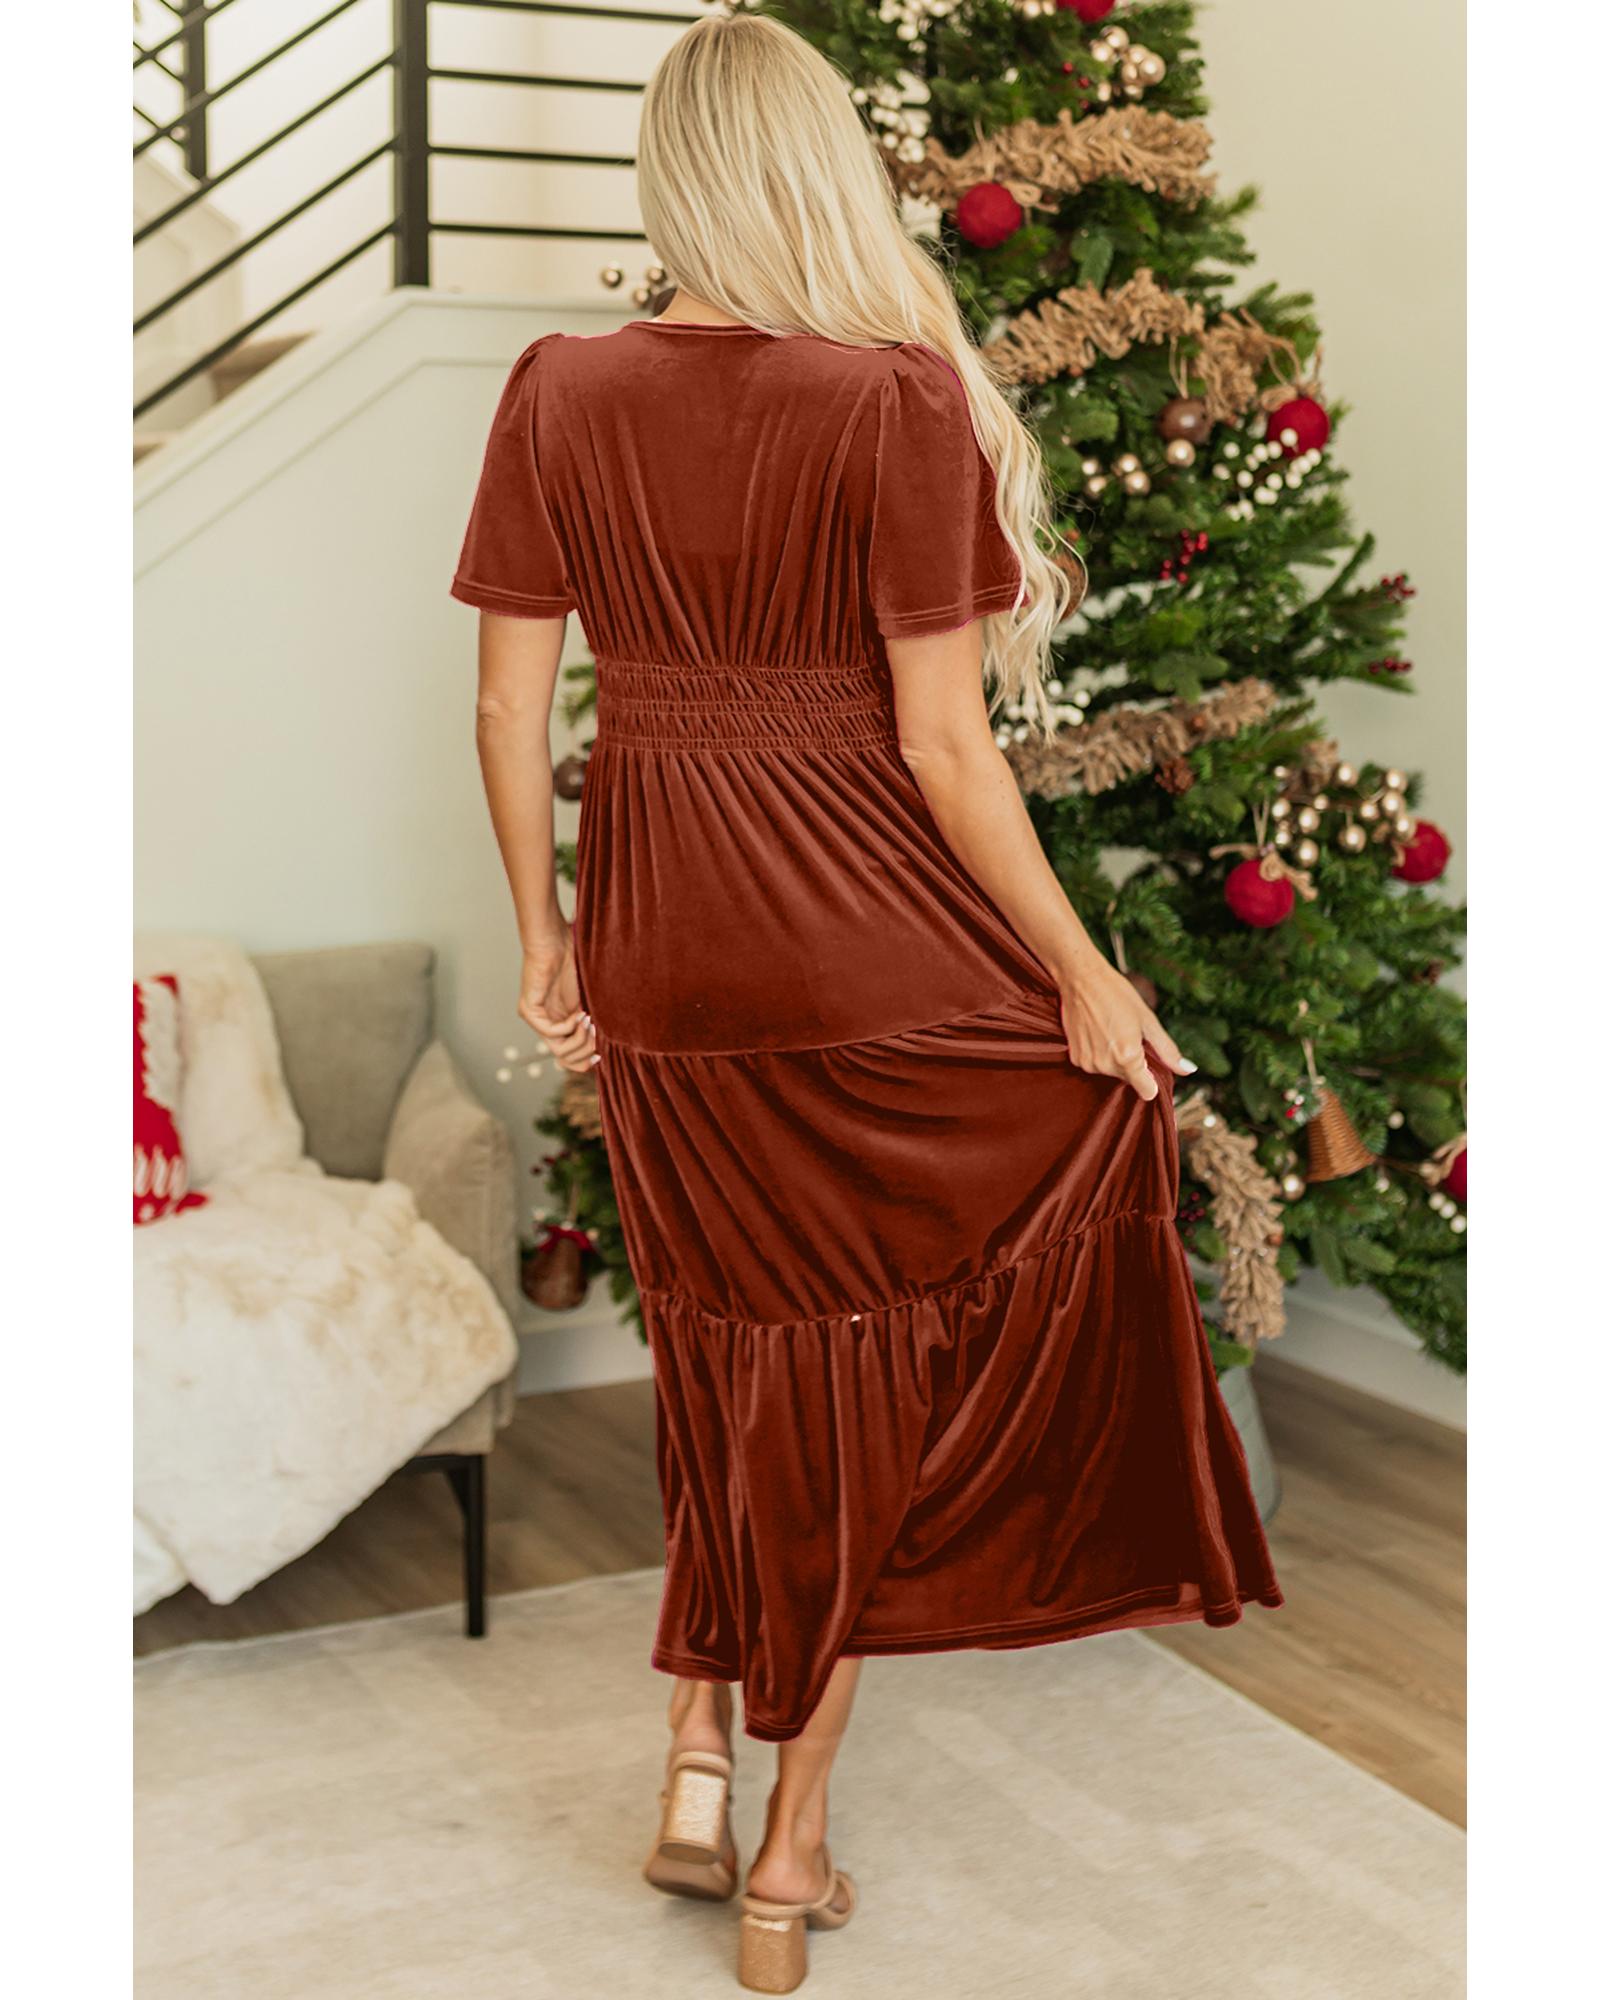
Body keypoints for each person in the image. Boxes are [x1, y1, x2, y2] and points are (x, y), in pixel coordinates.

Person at [454, 14, 1281, 1991]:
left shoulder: (557, 384)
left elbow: (503, 705)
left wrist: (547, 937)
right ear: (815, 167)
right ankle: (785, 1852)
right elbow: (941, 744)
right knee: (863, 1374)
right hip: (857, 947)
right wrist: (1082, 975)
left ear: (671, 173)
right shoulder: (891, 397)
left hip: (659, 946)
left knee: (731, 1350)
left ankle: (692, 1749)